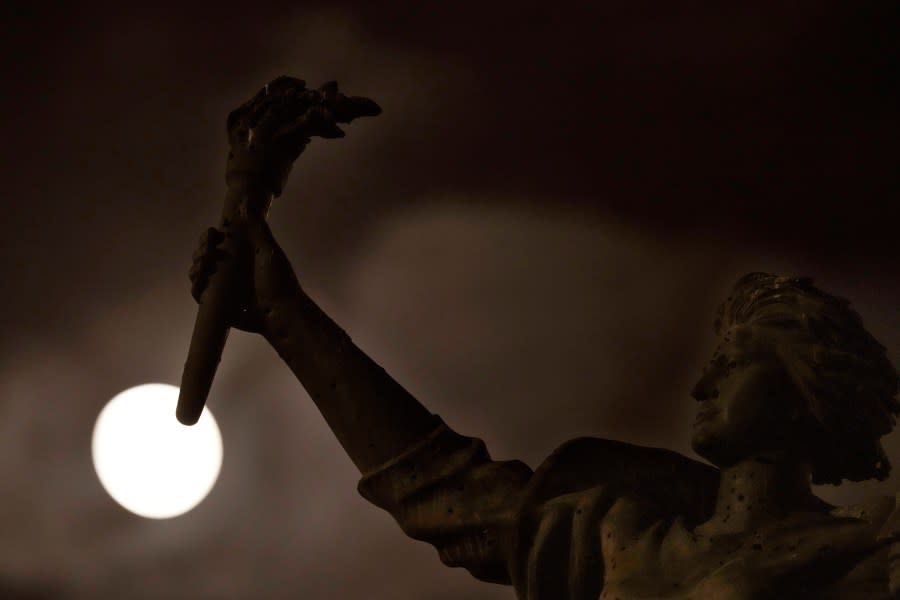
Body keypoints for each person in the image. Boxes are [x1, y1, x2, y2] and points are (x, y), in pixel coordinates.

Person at [189, 77, 900, 599]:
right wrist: (286, 315)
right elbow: (438, 489)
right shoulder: (621, 536)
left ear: (807, 390)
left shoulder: (870, 555)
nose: (701, 385)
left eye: (736, 364)